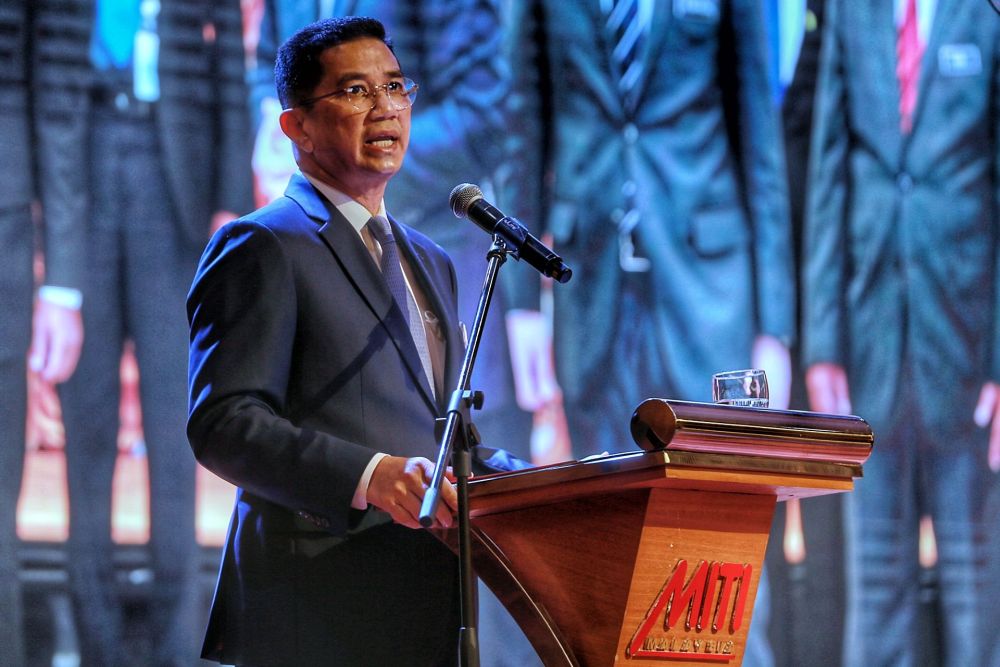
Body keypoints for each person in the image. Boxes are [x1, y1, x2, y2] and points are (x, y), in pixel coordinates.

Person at [187, 17, 525, 666]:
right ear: (297, 127)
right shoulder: (262, 244)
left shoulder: (431, 261)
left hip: (426, 603)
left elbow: (444, 438)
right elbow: (224, 424)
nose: (385, 107)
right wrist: (370, 477)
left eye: (395, 87)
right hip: (313, 605)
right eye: (355, 91)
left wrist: (550, 483)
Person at [31, 0, 253, 664]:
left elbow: (228, 71)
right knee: (87, 434)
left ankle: (179, 646)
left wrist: (231, 204)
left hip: (175, 184)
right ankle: (96, 643)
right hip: (83, 169)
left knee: (176, 428)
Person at [802, 0, 1000, 664]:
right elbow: (829, 177)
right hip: (870, 342)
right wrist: (823, 343)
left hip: (967, 347)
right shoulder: (852, 12)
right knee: (877, 583)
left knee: (977, 591)